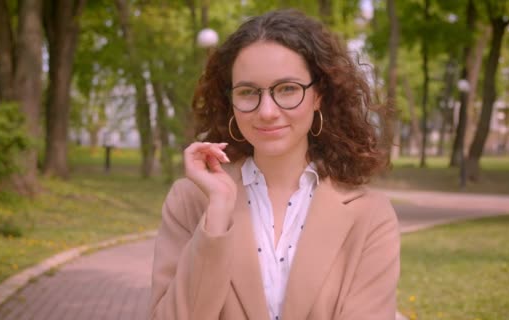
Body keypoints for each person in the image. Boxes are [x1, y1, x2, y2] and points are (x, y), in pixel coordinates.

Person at [149, 9, 400, 320]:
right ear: (231, 101)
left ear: (318, 95)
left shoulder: (370, 214)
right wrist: (217, 216)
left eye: (288, 89)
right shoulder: (190, 200)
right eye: (248, 92)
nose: (267, 111)